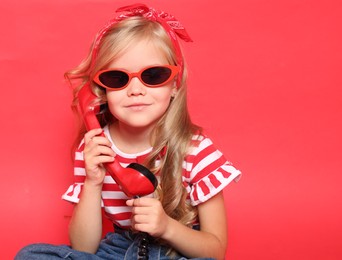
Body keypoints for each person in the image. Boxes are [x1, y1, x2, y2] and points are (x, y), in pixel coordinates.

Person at [15, 3, 241, 260]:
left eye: (153, 75)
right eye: (117, 78)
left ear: (175, 85)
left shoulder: (196, 150)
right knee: (30, 256)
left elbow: (215, 251)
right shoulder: (94, 149)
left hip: (176, 250)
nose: (135, 89)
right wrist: (92, 182)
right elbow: (83, 249)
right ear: (101, 91)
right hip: (118, 249)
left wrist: (167, 227)